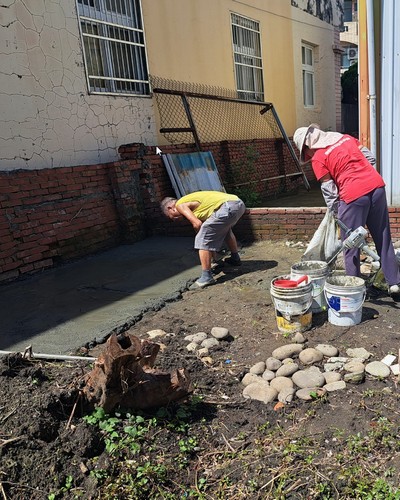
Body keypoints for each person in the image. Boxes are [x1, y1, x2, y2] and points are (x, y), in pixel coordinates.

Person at [293, 124, 400, 302]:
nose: (308, 155)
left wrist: (337, 212)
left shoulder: (318, 158)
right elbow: (370, 158)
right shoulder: (346, 139)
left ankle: (355, 288)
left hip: (352, 196)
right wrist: (365, 178)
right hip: (377, 187)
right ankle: (394, 283)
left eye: (306, 152)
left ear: (308, 145)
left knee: (350, 243)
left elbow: (329, 190)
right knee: (383, 236)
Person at [161, 191, 246, 289]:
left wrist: (201, 240)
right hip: (238, 204)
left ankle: (206, 277)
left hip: (227, 207)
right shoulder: (195, 204)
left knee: (202, 237)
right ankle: (235, 258)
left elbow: (197, 224)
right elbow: (210, 229)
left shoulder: (180, 204)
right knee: (226, 230)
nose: (173, 219)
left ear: (170, 208)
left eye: (169, 216)